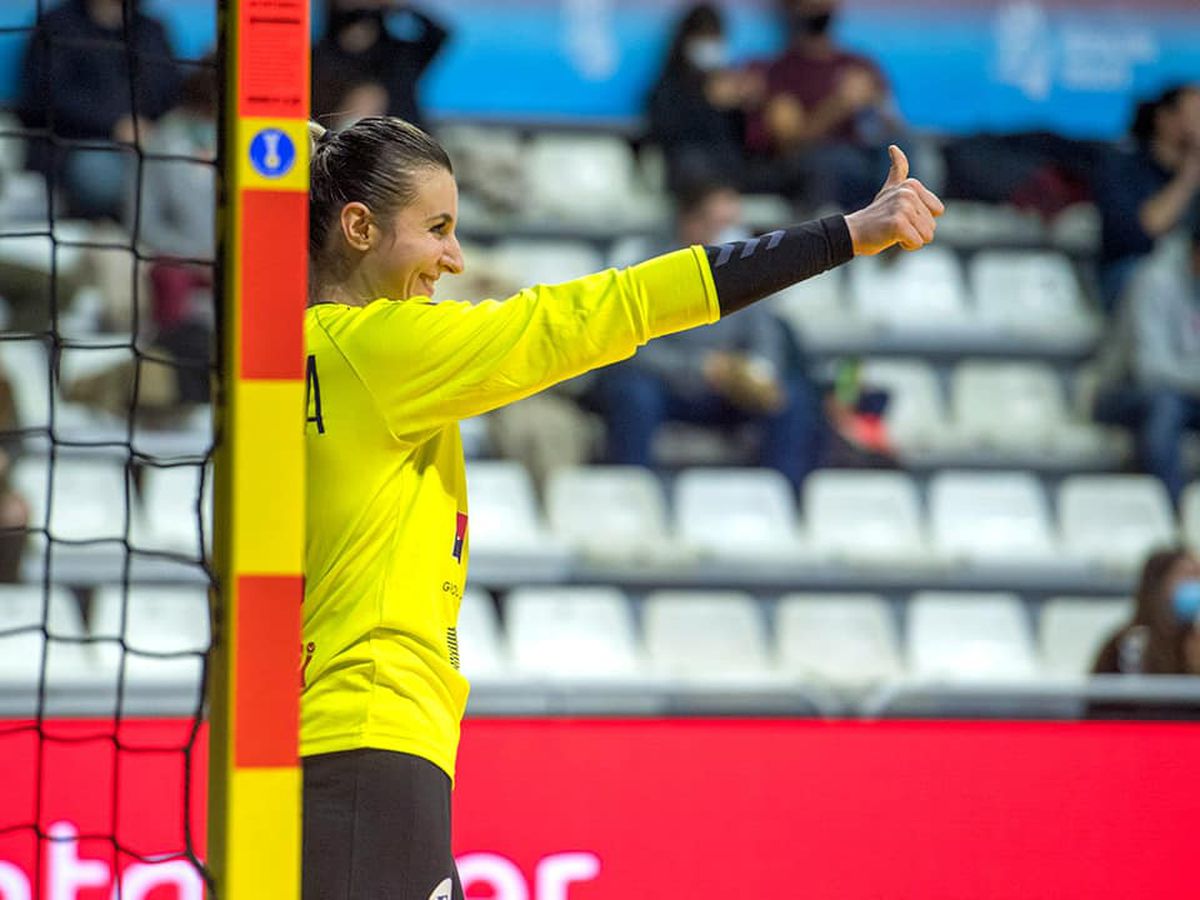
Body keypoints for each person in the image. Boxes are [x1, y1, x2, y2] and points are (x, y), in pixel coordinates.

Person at [301, 115, 942, 899]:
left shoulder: (296, 348)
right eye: (436, 229)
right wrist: (841, 236)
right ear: (359, 227)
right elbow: (616, 306)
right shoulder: (384, 350)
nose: (455, 258)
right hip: (368, 736)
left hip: (324, 742)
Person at [592, 180, 826, 493]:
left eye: (733, 222)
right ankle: (630, 498)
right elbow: (627, 343)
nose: (730, 231)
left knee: (792, 399)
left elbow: (765, 330)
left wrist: (758, 372)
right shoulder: (645, 261)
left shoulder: (744, 262)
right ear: (689, 220)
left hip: (726, 388)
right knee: (635, 394)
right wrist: (698, 367)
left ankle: (783, 501)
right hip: (664, 384)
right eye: (721, 222)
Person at [17, 0, 182, 220]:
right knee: (100, 176)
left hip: (150, 143)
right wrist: (116, 124)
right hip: (74, 147)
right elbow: (48, 96)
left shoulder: (151, 30)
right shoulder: (57, 24)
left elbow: (170, 93)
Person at [745, 0, 901, 212]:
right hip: (817, 166)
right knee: (832, 164)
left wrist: (876, 107)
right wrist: (839, 104)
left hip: (864, 159)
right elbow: (790, 139)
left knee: (899, 151)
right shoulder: (780, 73)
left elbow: (893, 122)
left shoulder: (860, 65)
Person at [1093, 220, 1200, 507]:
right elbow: (1149, 370)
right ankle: (1169, 509)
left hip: (1187, 394)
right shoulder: (1154, 280)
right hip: (1122, 392)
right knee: (1165, 406)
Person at [1094, 84, 1200, 312]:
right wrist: (1190, 174)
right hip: (1131, 274)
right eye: (1194, 114)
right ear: (1164, 118)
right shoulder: (1124, 164)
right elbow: (1142, 231)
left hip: (1190, 275)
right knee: (1154, 281)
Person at [646, 3, 762, 195]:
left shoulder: (731, 82)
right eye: (704, 37)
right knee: (697, 167)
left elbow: (745, 142)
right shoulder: (669, 86)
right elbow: (667, 135)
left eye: (715, 37)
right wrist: (705, 101)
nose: (710, 45)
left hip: (732, 168)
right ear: (686, 40)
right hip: (691, 172)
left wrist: (747, 107)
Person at [312, 1, 450, 130]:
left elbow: (438, 34)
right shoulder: (321, 57)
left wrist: (397, 6)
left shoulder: (401, 54)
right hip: (345, 143)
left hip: (405, 142)